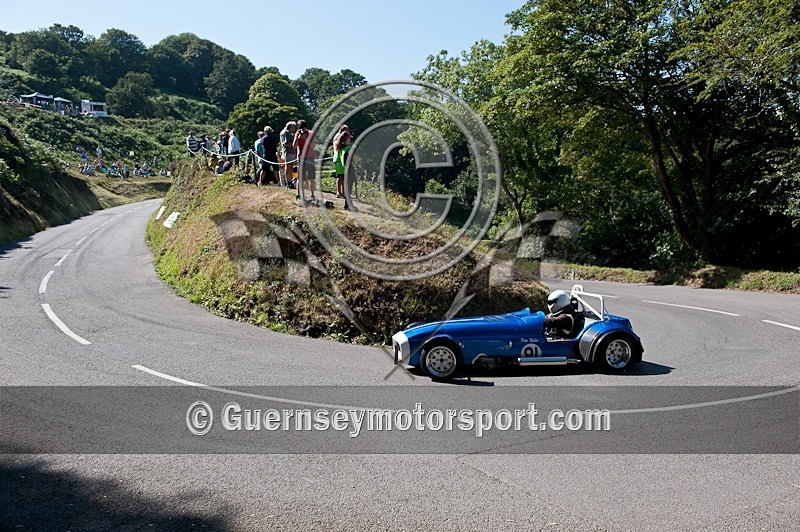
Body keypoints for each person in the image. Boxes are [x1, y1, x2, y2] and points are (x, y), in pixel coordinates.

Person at [293, 120, 316, 200]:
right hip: (301, 157)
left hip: (310, 157)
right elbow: (294, 146)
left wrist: (306, 138)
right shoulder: (297, 133)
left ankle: (312, 195)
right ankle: (298, 194)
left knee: (311, 178)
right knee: (300, 177)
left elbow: (313, 146)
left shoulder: (311, 133)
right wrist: (297, 137)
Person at [333, 125, 352, 199]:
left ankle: (341, 192)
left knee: (340, 176)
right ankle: (340, 192)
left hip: (338, 159)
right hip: (340, 160)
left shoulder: (338, 138)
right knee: (342, 177)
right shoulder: (339, 138)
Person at [280, 121, 297, 187]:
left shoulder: (290, 133)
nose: (293, 129)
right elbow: (286, 143)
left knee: (291, 167)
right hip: (288, 152)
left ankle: (291, 181)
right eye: (293, 127)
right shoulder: (285, 133)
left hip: (292, 152)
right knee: (288, 167)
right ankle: (289, 182)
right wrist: (294, 144)